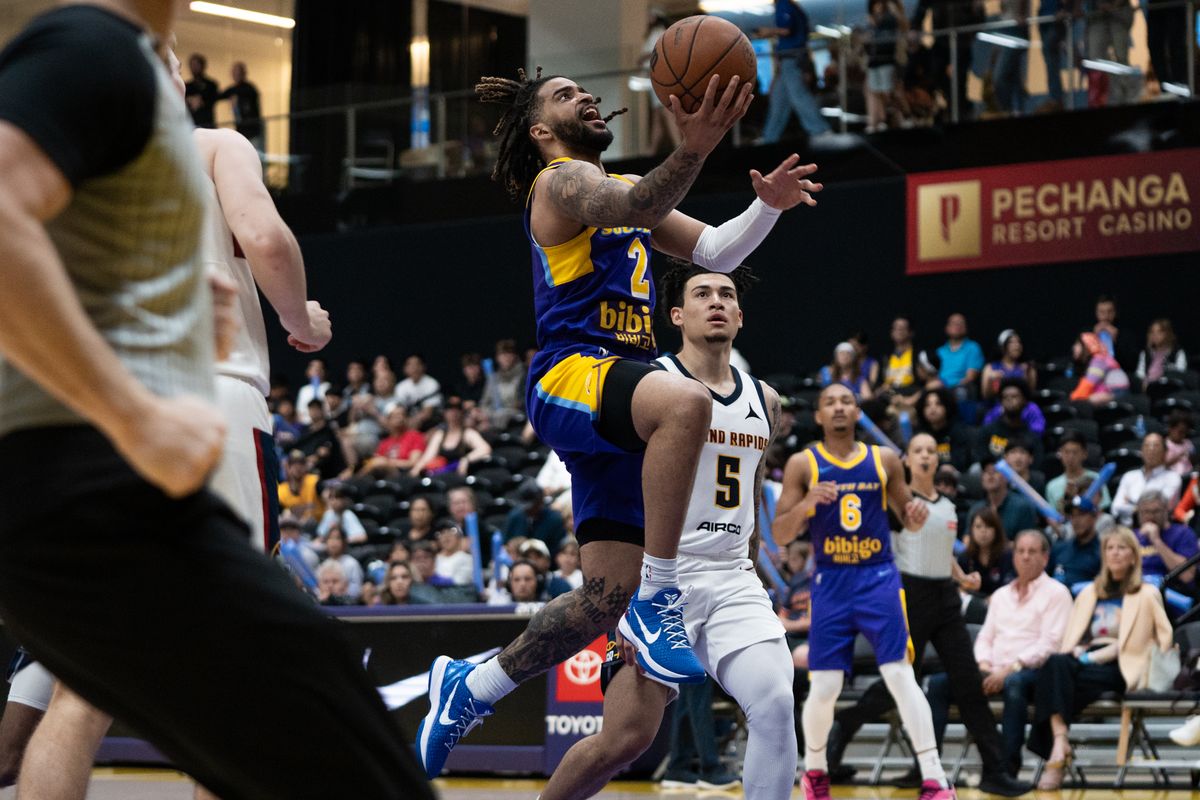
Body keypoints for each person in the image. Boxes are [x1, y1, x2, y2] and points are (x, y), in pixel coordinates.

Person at [0, 4, 431, 798]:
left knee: (85, 688)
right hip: (195, 409)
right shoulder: (198, 133)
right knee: (262, 674)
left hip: (89, 429)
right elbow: (265, 238)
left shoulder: (108, 169)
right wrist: (303, 321)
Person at [416, 63, 822, 778]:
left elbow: (717, 250)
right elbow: (633, 200)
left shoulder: (620, 201)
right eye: (568, 94)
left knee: (601, 601)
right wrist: (694, 146)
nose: (588, 97)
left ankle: (470, 686)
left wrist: (769, 208)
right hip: (574, 376)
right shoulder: (561, 182)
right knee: (688, 400)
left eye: (586, 89)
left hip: (618, 402)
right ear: (543, 130)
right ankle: (662, 595)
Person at [539, 262, 794, 800]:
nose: (717, 302)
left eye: (727, 295)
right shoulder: (649, 386)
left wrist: (753, 569)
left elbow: (749, 492)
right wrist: (623, 599)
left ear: (741, 317)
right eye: (702, 294)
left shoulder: (766, 400)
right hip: (657, 580)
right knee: (624, 740)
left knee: (774, 701)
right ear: (677, 315)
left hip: (731, 577)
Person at [774, 384, 955, 800]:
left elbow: (908, 518)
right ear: (818, 416)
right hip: (832, 583)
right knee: (825, 686)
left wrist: (916, 515)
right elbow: (782, 532)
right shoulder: (804, 464)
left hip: (878, 578)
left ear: (857, 412)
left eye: (847, 402)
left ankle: (934, 777)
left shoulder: (884, 459)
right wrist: (806, 506)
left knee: (899, 673)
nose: (839, 407)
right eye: (830, 403)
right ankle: (816, 772)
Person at [825, 435, 1029, 795]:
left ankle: (994, 770)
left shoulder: (948, 506)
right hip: (909, 597)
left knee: (969, 684)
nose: (925, 456)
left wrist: (962, 577)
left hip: (946, 599)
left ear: (937, 461)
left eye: (931, 451)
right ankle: (844, 723)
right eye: (918, 450)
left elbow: (941, 551)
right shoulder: (894, 505)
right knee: (898, 685)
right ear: (907, 460)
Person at [1028, 527, 1173, 790]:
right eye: (1109, 548)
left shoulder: (1147, 593)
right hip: (1086, 660)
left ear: (1133, 556)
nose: (1115, 553)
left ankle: (1055, 755)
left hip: (1124, 663)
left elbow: (1163, 636)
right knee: (1054, 665)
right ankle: (1060, 742)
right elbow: (1073, 635)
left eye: (1121, 548)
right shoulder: (1088, 593)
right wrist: (1079, 651)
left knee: (1053, 687)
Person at [928, 530, 1073, 778]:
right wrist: (984, 665)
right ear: (1013, 556)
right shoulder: (1001, 595)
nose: (1025, 557)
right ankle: (930, 765)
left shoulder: (1057, 593)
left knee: (1014, 686)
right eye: (1020, 551)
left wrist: (1008, 670)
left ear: (1045, 558)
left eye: (1032, 552)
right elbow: (985, 637)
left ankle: (1007, 767)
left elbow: (1050, 644)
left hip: (1032, 672)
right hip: (992, 669)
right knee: (939, 684)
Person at [759, 0, 832, 140]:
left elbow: (786, 30)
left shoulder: (784, 4)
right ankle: (769, 137)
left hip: (791, 57)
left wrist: (767, 32)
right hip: (790, 58)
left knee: (798, 95)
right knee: (779, 99)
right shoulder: (794, 7)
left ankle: (821, 130)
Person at [1111, 432, 1183, 524]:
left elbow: (1161, 508)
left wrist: (1130, 502)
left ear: (1165, 452)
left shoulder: (1173, 478)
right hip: (1127, 530)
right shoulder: (1129, 476)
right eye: (1147, 445)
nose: (1151, 449)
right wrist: (1138, 508)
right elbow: (1115, 508)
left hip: (1158, 528)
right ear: (1141, 451)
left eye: (1156, 445)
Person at [409, 397, 491, 476]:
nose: (453, 412)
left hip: (459, 475)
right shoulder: (440, 434)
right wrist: (416, 469)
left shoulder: (468, 433)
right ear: (445, 413)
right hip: (441, 474)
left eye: (457, 409)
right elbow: (428, 457)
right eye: (450, 409)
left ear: (462, 412)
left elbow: (485, 449)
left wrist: (466, 459)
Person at [1133, 490, 1198, 589]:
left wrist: (1157, 541)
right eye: (1145, 511)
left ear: (1166, 510)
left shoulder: (1183, 533)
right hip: (1137, 590)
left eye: (1156, 511)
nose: (1150, 516)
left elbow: (1187, 576)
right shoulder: (1132, 537)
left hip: (1171, 593)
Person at [974, 377, 1044, 464]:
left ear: (1024, 401)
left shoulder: (1031, 437)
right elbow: (981, 461)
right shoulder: (987, 432)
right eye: (1005, 397)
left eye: (1014, 396)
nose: (1009, 400)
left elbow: (1037, 465)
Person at [969, 456, 1041, 540]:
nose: (990, 475)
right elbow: (967, 538)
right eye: (986, 471)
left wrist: (995, 546)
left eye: (995, 471)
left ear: (1007, 476)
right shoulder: (976, 508)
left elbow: (1028, 542)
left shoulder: (1022, 506)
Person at [1050, 481, 1106, 587]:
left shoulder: (1102, 552)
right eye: (1073, 516)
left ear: (1094, 517)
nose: (1076, 521)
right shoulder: (1059, 548)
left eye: (1081, 515)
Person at [1046, 430, 1111, 515]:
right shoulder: (1052, 486)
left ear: (1084, 454)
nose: (1070, 457)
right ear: (1060, 453)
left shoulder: (1097, 480)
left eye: (1075, 452)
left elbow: (1102, 510)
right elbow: (1052, 517)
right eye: (1066, 452)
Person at [957, 508, 1014, 598]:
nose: (983, 531)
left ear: (996, 530)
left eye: (988, 526)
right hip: (973, 606)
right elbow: (959, 589)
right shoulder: (965, 557)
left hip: (1002, 604)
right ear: (971, 530)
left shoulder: (1008, 556)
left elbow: (1010, 588)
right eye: (978, 526)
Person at [916, 387, 971, 472]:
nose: (932, 408)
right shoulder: (920, 436)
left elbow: (961, 462)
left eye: (938, 404)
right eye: (927, 405)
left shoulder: (958, 431)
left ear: (947, 406)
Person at [505, 480, 568, 553]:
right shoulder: (515, 516)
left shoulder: (555, 519)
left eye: (532, 506)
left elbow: (558, 551)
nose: (528, 510)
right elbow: (505, 543)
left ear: (540, 501)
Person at [935, 314, 984, 406]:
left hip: (961, 388)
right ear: (947, 328)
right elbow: (934, 375)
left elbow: (970, 377)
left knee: (961, 391)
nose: (958, 326)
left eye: (961, 323)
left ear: (966, 328)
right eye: (954, 323)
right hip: (940, 388)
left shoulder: (973, 348)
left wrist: (949, 389)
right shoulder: (939, 351)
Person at [1069, 332, 1130, 403]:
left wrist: (1073, 398)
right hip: (1111, 391)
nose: (1074, 347)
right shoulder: (1095, 359)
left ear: (1086, 347)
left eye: (1077, 345)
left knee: (1089, 401)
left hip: (1118, 393)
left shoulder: (1099, 360)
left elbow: (1088, 384)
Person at [217, 61, 263, 150]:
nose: (236, 75)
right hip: (241, 129)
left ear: (243, 73)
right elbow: (219, 96)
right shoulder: (233, 90)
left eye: (238, 72)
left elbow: (250, 108)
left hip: (252, 129)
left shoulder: (250, 89)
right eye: (234, 72)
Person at [480, 338, 526, 428]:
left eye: (509, 353)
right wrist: (488, 414)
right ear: (497, 357)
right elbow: (484, 404)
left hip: (518, 420)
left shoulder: (524, 375)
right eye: (502, 354)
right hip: (495, 420)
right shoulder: (493, 378)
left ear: (515, 356)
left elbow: (523, 403)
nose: (506, 357)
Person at [982, 330, 1037, 400]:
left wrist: (1029, 375)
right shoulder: (990, 368)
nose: (1017, 345)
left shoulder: (1027, 367)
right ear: (1002, 347)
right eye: (1012, 342)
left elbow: (1030, 394)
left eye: (1019, 342)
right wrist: (990, 381)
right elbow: (986, 396)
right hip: (997, 406)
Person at [1135, 318, 1188, 390]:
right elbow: (1140, 374)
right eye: (1152, 332)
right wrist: (1143, 382)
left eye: (1159, 332)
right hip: (1148, 388)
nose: (1155, 335)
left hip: (1169, 388)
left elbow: (1180, 372)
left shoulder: (1177, 352)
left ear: (1167, 334)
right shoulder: (1146, 353)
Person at [184, 52, 218, 128]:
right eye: (192, 65)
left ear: (202, 66)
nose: (194, 68)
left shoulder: (211, 85)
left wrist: (201, 102)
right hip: (192, 125)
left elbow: (213, 100)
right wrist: (189, 100)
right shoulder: (186, 86)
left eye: (196, 65)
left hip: (208, 124)